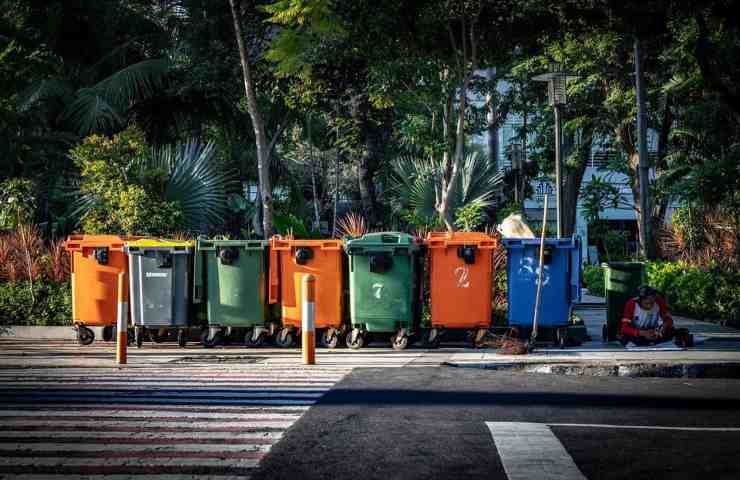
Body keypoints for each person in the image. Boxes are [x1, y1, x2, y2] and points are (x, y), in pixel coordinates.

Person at [619, 285, 694, 347]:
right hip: (637, 332)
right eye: (646, 303)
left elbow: (669, 319)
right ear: (640, 300)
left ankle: (679, 339)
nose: (649, 306)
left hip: (654, 332)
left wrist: (664, 326)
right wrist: (642, 333)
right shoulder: (631, 304)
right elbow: (624, 328)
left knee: (672, 330)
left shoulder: (659, 301)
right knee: (625, 337)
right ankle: (655, 342)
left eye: (652, 303)